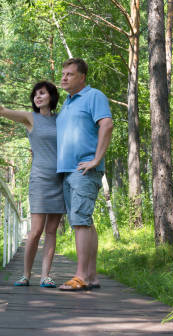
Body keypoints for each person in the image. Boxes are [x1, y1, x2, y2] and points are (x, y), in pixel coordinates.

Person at [0, 81, 65, 288]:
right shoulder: (30, 118)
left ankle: (46, 276)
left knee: (51, 230)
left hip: (60, 179)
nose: (37, 97)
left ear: (51, 97)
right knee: (36, 230)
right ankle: (26, 275)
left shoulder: (61, 119)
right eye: (35, 95)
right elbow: (2, 111)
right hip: (40, 179)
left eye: (42, 93)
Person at [56, 58, 113, 291]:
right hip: (67, 171)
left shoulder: (93, 96)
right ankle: (91, 276)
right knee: (83, 222)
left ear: (82, 77)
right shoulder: (67, 104)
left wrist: (97, 159)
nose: (64, 78)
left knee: (80, 222)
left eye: (70, 74)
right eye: (63, 74)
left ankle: (80, 277)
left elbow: (107, 125)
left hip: (83, 169)